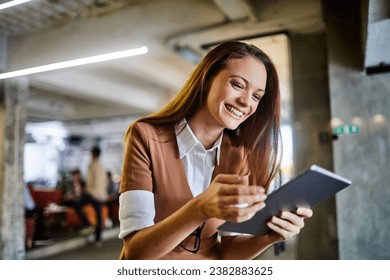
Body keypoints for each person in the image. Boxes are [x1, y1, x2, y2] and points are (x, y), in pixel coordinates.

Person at [118, 41, 313, 260]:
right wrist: (199, 209)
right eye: (238, 85)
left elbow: (228, 251)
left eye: (257, 96)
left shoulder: (239, 155)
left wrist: (270, 237)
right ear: (207, 79)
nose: (245, 101)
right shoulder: (145, 137)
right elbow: (135, 253)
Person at [62, 168, 103, 246]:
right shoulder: (68, 183)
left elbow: (86, 191)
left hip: (81, 198)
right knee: (77, 203)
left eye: (78, 175)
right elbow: (66, 195)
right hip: (74, 200)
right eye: (75, 175)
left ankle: (98, 236)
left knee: (97, 203)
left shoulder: (82, 182)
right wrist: (71, 194)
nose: (76, 177)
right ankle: (88, 225)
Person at [85, 145, 108, 246]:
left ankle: (88, 226)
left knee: (77, 204)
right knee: (99, 216)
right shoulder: (102, 167)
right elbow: (106, 181)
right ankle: (98, 238)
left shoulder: (91, 165)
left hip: (93, 194)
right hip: (102, 195)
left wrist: (88, 190)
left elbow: (89, 181)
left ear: (93, 154)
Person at [24, 182, 53, 248]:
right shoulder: (22, 186)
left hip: (27, 208)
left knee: (40, 211)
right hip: (26, 209)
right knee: (40, 212)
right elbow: (29, 204)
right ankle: (38, 236)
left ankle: (37, 236)